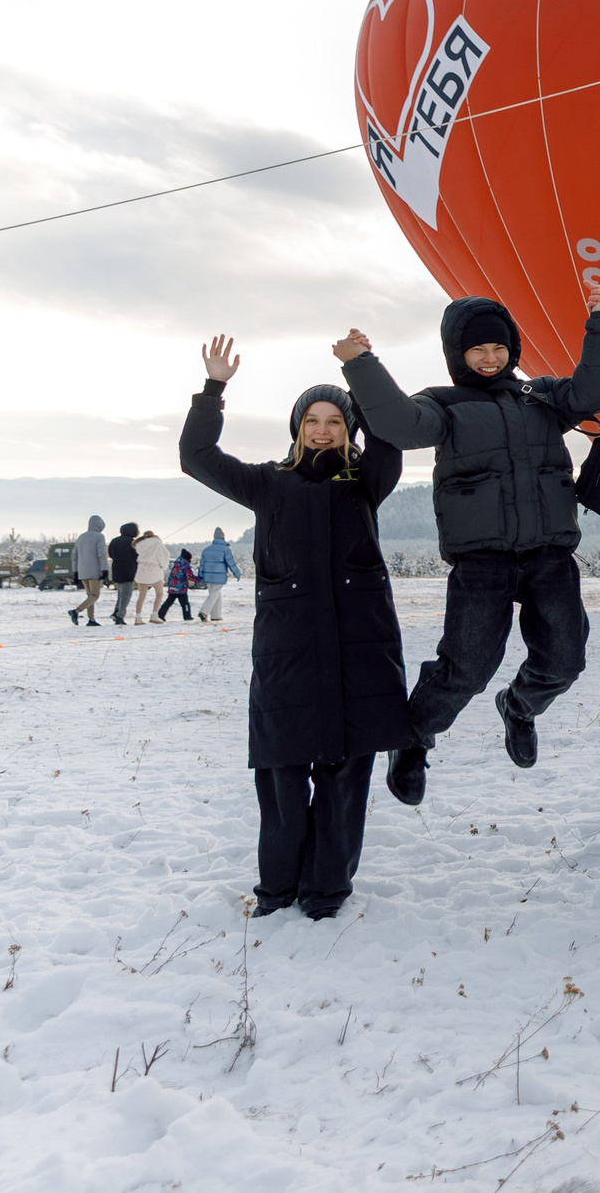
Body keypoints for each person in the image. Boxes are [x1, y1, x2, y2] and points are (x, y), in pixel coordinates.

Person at [338, 286, 600, 805]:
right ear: (457, 355)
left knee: (564, 660)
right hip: (482, 559)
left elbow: (595, 389)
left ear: (513, 349)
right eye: (477, 350)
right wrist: (362, 364)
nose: (490, 359)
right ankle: (413, 738)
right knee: (466, 667)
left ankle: (519, 706)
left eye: (499, 348)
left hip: (548, 554)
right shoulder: (442, 406)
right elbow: (398, 424)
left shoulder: (542, 397)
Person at [180, 333, 420, 920]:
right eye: (311, 420)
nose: (321, 430)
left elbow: (391, 437)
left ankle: (325, 891)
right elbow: (196, 458)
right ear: (296, 427)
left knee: (343, 779)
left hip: (357, 648)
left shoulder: (367, 480)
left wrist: (359, 371)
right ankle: (278, 888)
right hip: (288, 651)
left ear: (350, 428)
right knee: (282, 773)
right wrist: (214, 390)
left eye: (334, 421)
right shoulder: (267, 482)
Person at [68, 514, 109, 625]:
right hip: (94, 570)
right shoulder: (99, 536)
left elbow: (74, 556)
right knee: (95, 595)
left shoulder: (81, 537)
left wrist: (76, 572)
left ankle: (91, 619)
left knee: (90, 596)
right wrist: (105, 569)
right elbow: (102, 554)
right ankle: (76, 611)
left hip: (82, 571)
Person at [198, 528, 240, 621]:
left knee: (215, 595)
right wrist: (237, 574)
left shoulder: (206, 550)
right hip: (219, 576)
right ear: (223, 538)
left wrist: (200, 576)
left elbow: (201, 564)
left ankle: (216, 615)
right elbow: (231, 563)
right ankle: (204, 612)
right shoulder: (225, 549)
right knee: (214, 595)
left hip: (208, 576)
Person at [132, 528, 169, 621]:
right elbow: (165, 555)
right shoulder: (157, 543)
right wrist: (163, 566)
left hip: (142, 570)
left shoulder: (139, 545)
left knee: (142, 596)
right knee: (159, 594)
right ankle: (154, 615)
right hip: (154, 570)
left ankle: (138, 617)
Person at [106, 522, 139, 625]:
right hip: (128, 570)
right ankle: (120, 615)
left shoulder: (114, 541)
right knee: (126, 594)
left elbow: (111, 554)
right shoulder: (132, 542)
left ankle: (117, 611)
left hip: (116, 569)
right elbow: (137, 555)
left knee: (121, 593)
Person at [158, 548, 197, 621]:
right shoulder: (185, 564)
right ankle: (187, 616)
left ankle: (160, 615)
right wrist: (199, 579)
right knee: (185, 603)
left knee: (168, 602)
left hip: (172, 586)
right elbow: (190, 576)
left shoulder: (177, 562)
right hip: (181, 587)